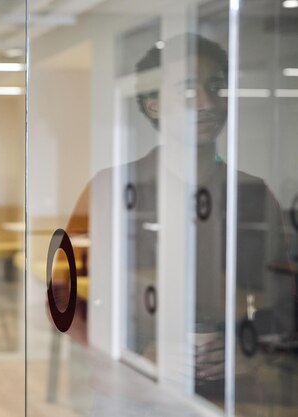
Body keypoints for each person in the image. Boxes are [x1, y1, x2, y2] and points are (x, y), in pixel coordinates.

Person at [56, 33, 294, 402]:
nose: (206, 102)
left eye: (216, 87)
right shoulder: (109, 188)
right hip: (132, 394)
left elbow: (285, 302)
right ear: (153, 104)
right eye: (187, 90)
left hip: (231, 397)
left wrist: (244, 350)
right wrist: (135, 354)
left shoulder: (254, 194)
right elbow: (62, 296)